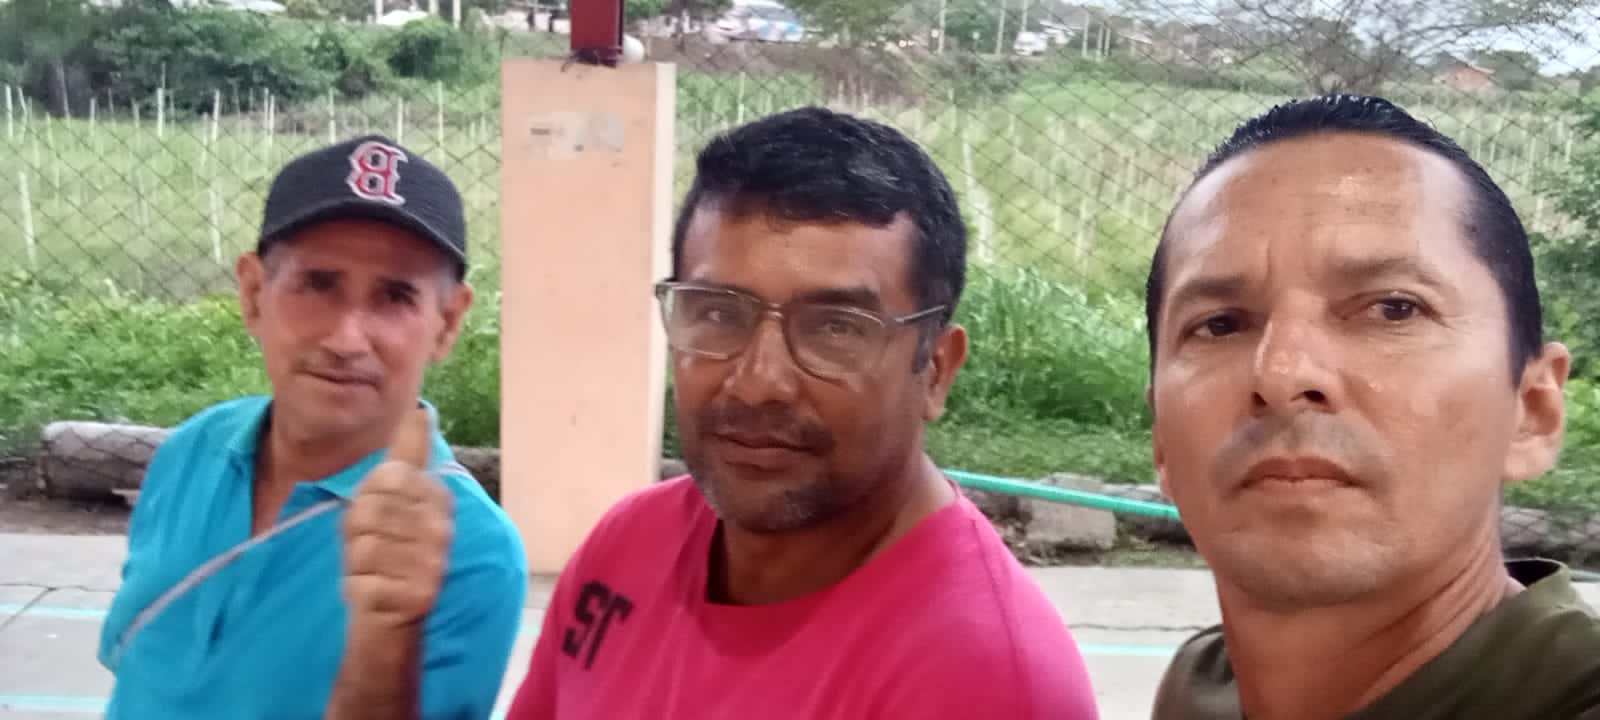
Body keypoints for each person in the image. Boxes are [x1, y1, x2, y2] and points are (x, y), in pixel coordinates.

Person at [502, 107, 1101, 719]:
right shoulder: (629, 545)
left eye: (836, 328)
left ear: (937, 370)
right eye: (717, 313)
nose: (759, 382)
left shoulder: (981, 681)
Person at [1144, 93, 1600, 720]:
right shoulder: (1199, 686)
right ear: (1161, 440)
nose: (1281, 374)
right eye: (1220, 324)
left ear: (1533, 410)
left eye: (1393, 308)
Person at [97, 135, 529, 720]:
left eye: (395, 296)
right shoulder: (193, 450)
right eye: (319, 284)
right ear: (254, 295)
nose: (347, 339)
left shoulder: (471, 552)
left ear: (447, 324)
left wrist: (387, 636)